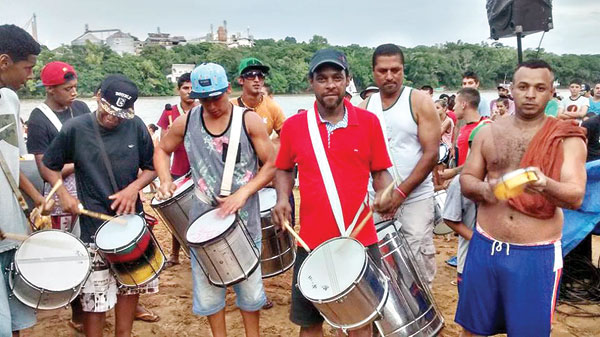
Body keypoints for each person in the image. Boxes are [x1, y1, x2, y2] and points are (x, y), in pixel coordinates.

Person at [272, 48, 397, 337]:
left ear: (347, 81)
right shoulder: (294, 126)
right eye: (322, 78)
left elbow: (381, 172)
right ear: (311, 83)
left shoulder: (368, 123)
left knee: (361, 321)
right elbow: (283, 168)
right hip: (311, 241)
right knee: (310, 323)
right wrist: (282, 199)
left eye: (337, 77)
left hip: (360, 240)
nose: (330, 84)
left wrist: (386, 192)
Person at [458, 60, 587, 336]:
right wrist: (485, 190)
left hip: (534, 254)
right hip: (485, 246)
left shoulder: (566, 138)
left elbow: (575, 196)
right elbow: (467, 180)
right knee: (472, 329)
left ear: (552, 91)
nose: (530, 94)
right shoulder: (489, 132)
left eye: (540, 88)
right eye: (523, 87)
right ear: (510, 90)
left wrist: (545, 184)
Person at [154, 62, 275, 337]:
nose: (211, 105)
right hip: (202, 224)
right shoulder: (187, 121)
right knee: (210, 296)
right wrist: (164, 180)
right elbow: (161, 150)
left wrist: (244, 192)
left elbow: (271, 164)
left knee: (251, 293)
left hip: (245, 224)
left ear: (228, 89)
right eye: (204, 99)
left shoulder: (248, 120)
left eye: (216, 98)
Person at [42, 74, 158, 337]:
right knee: (94, 297)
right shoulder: (75, 129)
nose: (112, 118)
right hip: (93, 228)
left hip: (131, 224)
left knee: (130, 287)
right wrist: (63, 195)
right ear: (97, 97)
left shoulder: (136, 125)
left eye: (120, 114)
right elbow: (49, 166)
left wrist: (133, 189)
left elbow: (152, 168)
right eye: (107, 110)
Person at [359, 44, 440, 285]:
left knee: (417, 258)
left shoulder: (419, 101)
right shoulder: (364, 108)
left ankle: (426, 318)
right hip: (379, 200)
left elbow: (431, 154)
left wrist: (401, 193)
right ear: (374, 72)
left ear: (403, 70)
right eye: (383, 71)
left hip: (415, 197)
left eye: (396, 70)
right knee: (383, 263)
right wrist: (382, 197)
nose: (390, 76)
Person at [25, 60, 90, 332]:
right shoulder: (39, 118)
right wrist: (81, 160)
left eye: (75, 87)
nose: (73, 93)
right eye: (67, 88)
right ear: (51, 89)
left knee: (94, 244)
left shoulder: (82, 108)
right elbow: (45, 168)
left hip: (88, 184)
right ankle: (77, 309)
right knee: (70, 252)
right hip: (59, 192)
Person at [0, 23, 42, 337]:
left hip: (11, 225)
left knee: (14, 316)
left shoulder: (10, 100)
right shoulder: (8, 99)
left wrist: (37, 199)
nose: (29, 76)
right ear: (4, 62)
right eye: (27, 68)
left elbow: (12, 161)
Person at [156, 72, 198, 267]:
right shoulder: (170, 112)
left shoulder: (202, 110)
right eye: (185, 88)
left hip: (199, 169)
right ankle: (174, 254)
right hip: (179, 168)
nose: (189, 92)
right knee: (177, 214)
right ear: (178, 90)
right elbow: (164, 144)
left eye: (191, 88)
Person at [439, 88, 488, 182]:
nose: (453, 108)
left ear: (463, 104)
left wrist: (454, 172)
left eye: (455, 103)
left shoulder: (484, 128)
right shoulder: (464, 128)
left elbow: (479, 162)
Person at [232, 57, 285, 140]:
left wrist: (271, 146)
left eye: (260, 75)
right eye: (251, 75)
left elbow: (286, 137)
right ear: (241, 80)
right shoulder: (231, 107)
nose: (256, 80)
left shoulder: (272, 107)